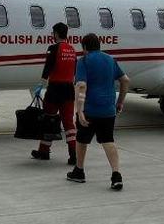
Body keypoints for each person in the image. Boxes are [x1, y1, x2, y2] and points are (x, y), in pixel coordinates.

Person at [66, 32, 129, 190]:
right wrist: (120, 102)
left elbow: (81, 85)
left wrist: (79, 111)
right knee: (108, 140)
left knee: (82, 140)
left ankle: (79, 171)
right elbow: (125, 80)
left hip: (90, 109)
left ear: (85, 47)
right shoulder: (110, 59)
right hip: (108, 109)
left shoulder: (84, 61)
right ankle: (116, 175)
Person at [31, 22, 78, 164]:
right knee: (69, 123)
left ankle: (44, 151)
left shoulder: (53, 48)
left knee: (49, 120)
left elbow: (48, 68)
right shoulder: (72, 50)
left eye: (53, 33)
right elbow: (74, 71)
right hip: (69, 90)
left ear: (56, 33)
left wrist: (41, 84)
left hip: (55, 89)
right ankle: (73, 154)